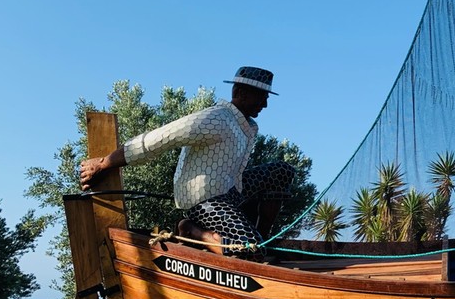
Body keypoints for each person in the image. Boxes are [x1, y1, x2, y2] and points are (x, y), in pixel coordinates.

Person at [80, 66, 294, 256]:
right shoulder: (215, 119)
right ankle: (193, 230)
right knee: (250, 250)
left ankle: (263, 238)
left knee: (282, 171)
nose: (265, 104)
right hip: (206, 200)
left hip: (230, 190)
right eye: (261, 97)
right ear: (240, 93)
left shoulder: (247, 126)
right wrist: (104, 163)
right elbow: (158, 139)